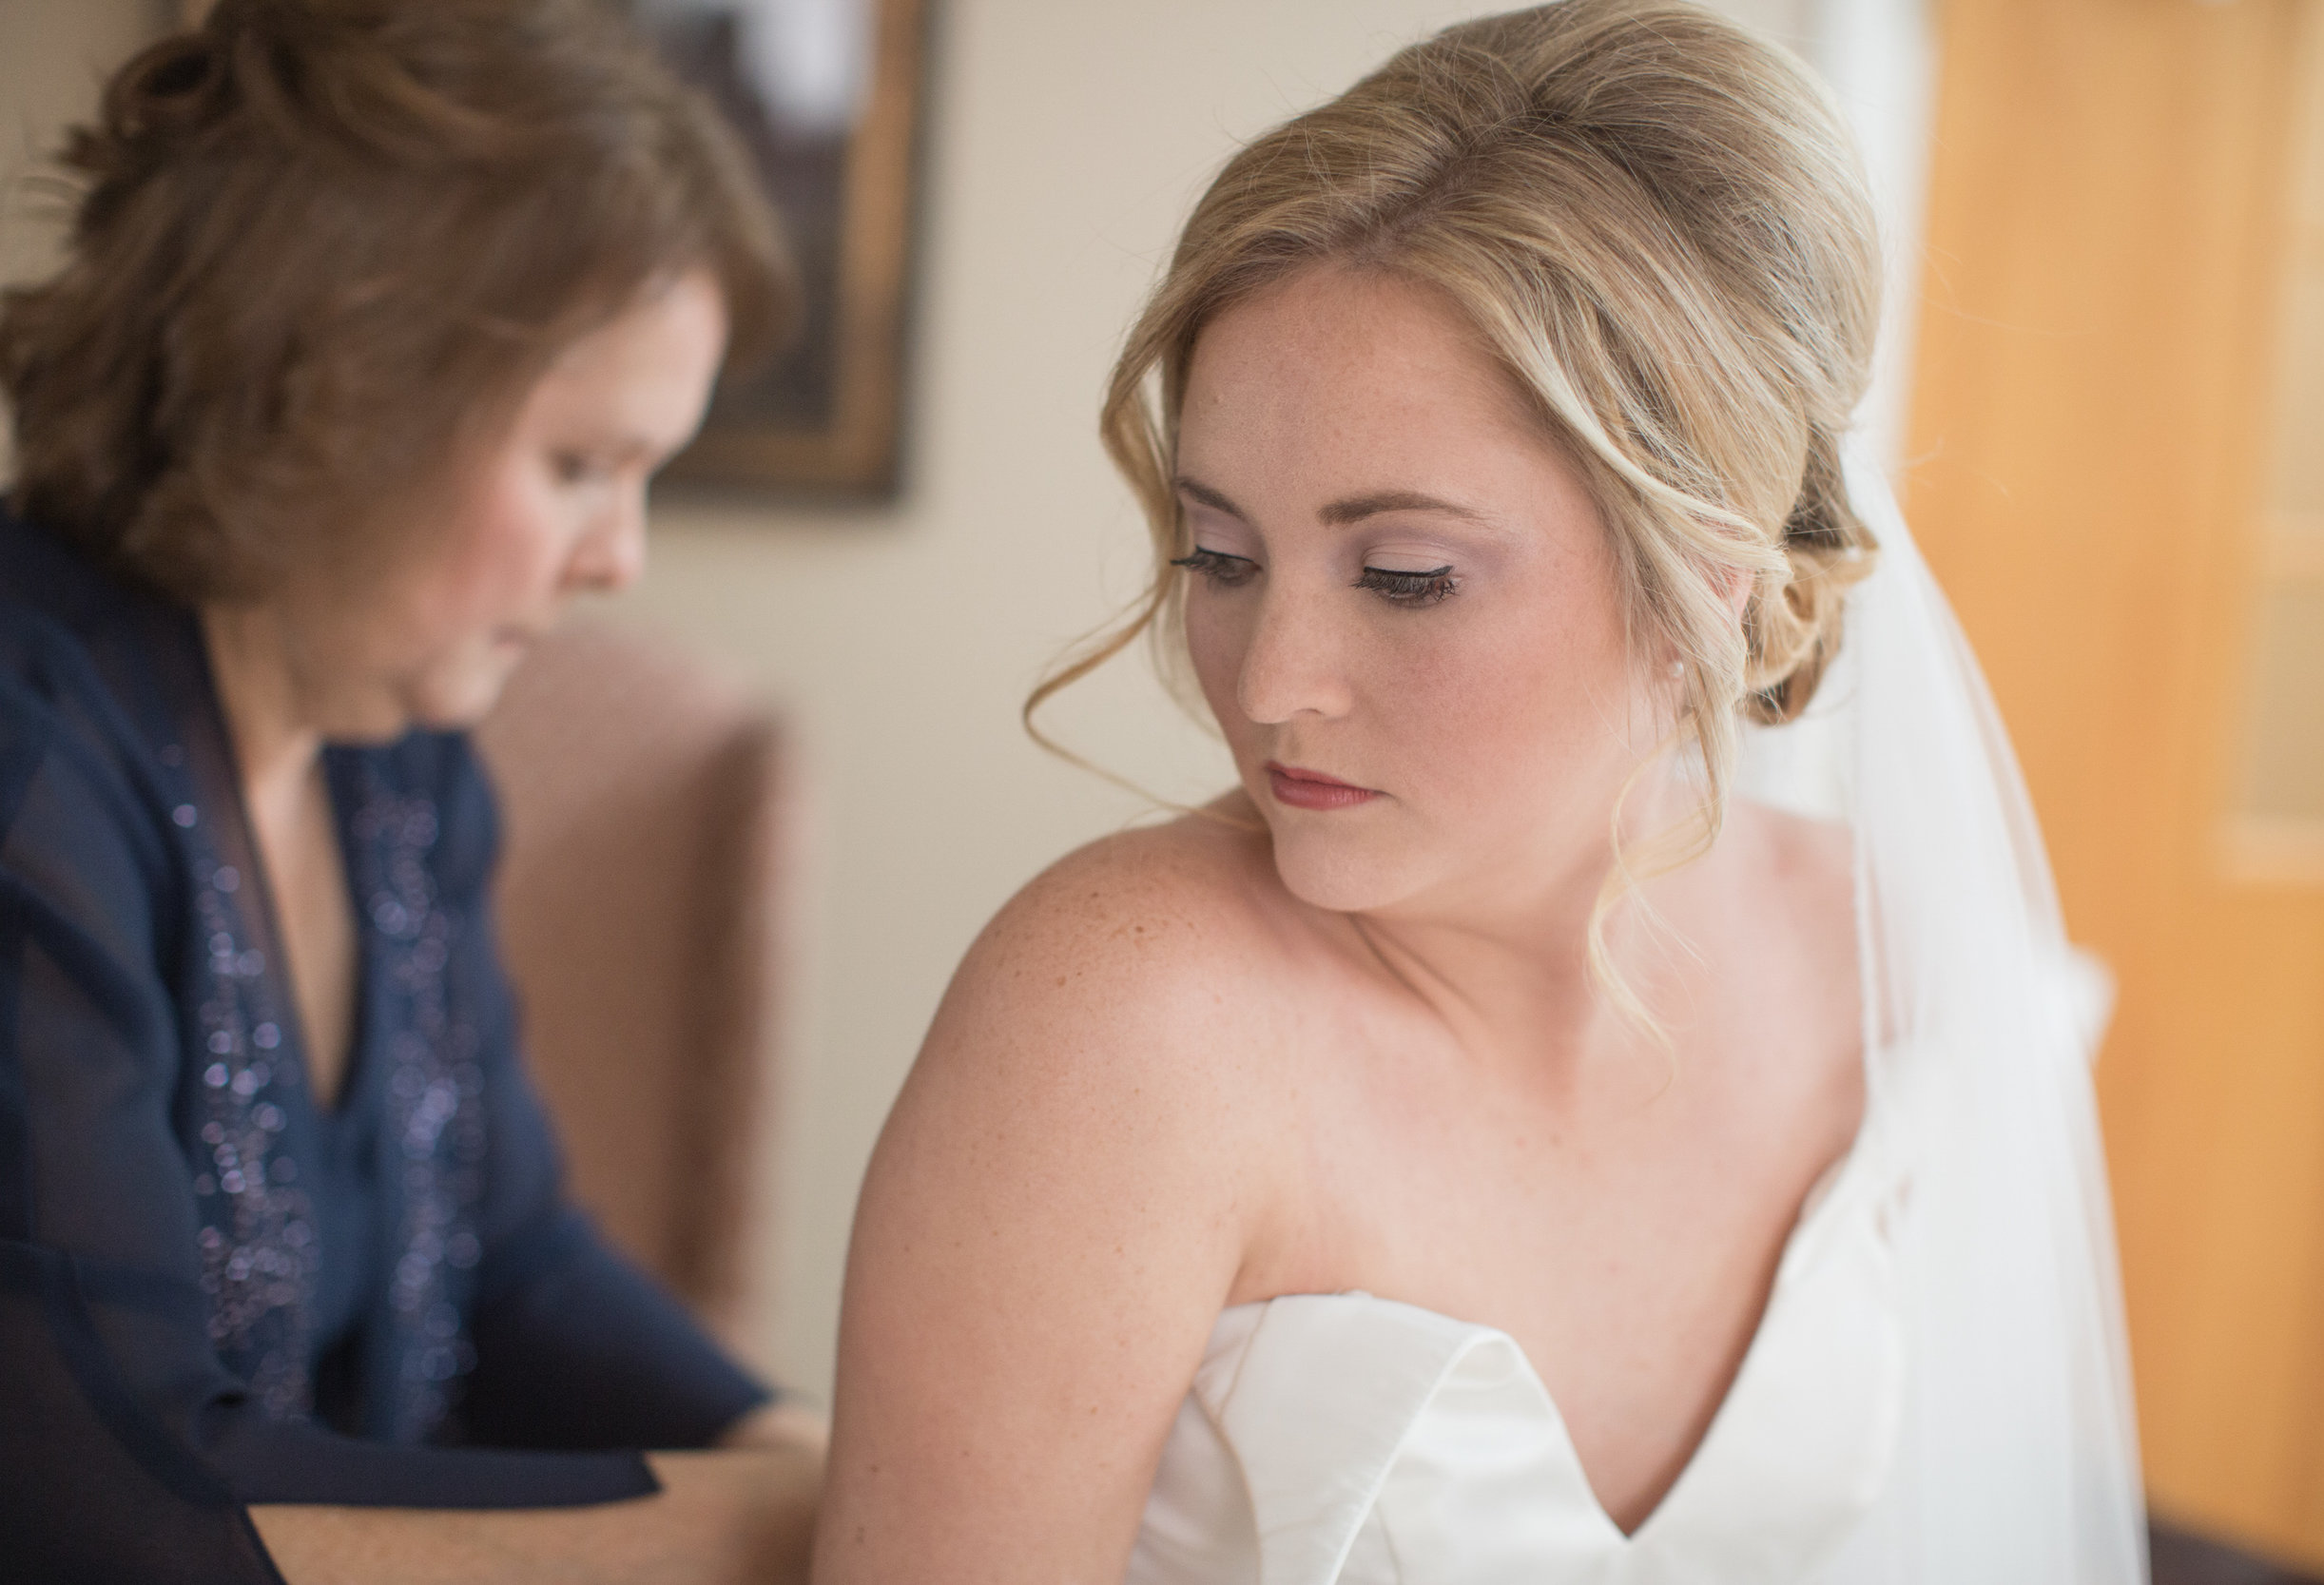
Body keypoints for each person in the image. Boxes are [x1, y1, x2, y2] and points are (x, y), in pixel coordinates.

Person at [814, 4, 2145, 1582]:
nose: (1269, 679)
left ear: (1712, 574)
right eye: (1219, 555)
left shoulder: (1905, 967)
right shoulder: (1125, 1019)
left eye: (1409, 577)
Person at [0, 2, 823, 1580]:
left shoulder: (399, 763)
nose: (621, 559)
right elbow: (115, 1502)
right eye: (582, 464)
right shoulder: (33, 771)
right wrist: (767, 1524)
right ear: (342, 380)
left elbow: (512, 1265)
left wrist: (795, 1441)